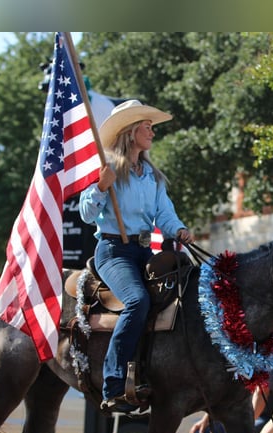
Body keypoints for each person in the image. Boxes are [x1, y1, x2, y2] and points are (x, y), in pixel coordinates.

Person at [79, 99, 194, 414]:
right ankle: (114, 382)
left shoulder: (152, 177)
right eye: (147, 126)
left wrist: (180, 229)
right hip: (113, 251)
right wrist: (101, 188)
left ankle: (149, 373)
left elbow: (164, 215)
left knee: (178, 299)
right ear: (131, 131)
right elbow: (87, 214)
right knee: (137, 302)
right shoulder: (108, 168)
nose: (152, 132)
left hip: (145, 251)